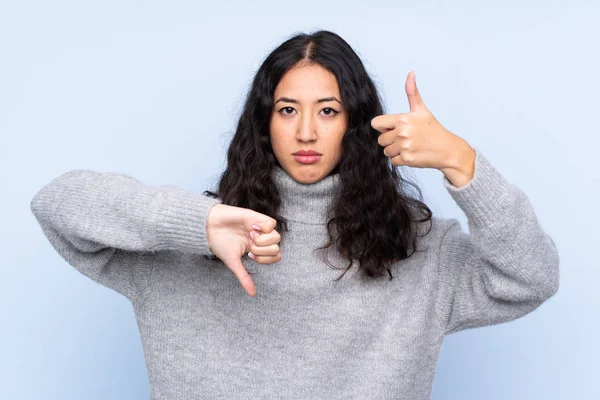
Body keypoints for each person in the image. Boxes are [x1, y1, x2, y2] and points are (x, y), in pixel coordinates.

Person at [30, 30, 559, 399]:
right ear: (264, 124)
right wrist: (199, 225)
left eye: (327, 111)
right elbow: (57, 204)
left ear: (355, 123)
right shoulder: (197, 239)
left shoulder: (420, 252)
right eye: (288, 110)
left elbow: (529, 277)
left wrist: (461, 162)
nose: (306, 132)